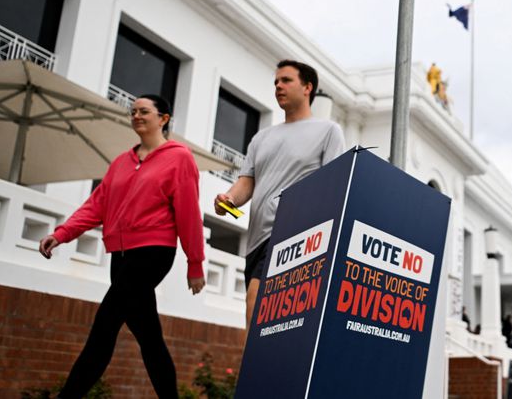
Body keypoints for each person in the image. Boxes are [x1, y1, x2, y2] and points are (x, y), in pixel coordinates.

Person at [39, 94, 205, 399]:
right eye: (133, 112)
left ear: (163, 119)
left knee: (104, 327)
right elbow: (96, 206)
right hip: (121, 256)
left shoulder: (179, 158)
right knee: (149, 337)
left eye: (144, 111)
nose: (137, 116)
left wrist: (195, 263)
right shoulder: (120, 163)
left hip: (154, 252)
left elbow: (189, 213)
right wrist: (62, 234)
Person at [213, 60, 345, 325]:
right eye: (276, 82)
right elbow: (246, 183)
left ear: (308, 87)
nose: (278, 86)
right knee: (265, 319)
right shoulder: (261, 138)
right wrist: (228, 198)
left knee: (255, 302)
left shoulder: (328, 131)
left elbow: (336, 187)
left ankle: (252, 368)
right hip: (256, 240)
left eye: (286, 80)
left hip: (294, 234)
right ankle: (262, 366)